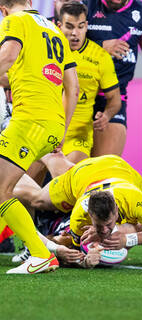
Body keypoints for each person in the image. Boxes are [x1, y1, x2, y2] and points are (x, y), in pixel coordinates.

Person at [0, 0, 79, 274]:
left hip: (29, 120)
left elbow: (8, 55)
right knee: (7, 187)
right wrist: (62, 129)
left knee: (1, 189)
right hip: (52, 125)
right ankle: (34, 248)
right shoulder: (55, 31)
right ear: (31, 2)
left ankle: (39, 253)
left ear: (2, 10)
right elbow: (74, 86)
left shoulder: (14, 21)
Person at [13, 153, 142, 253]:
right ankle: (13, 170)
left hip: (122, 171)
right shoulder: (79, 213)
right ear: (89, 215)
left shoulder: (133, 199)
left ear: (116, 210)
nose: (105, 231)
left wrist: (126, 239)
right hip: (84, 175)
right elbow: (72, 244)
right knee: (38, 200)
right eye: (98, 227)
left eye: (108, 225)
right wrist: (64, 244)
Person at [82, 0, 142, 156]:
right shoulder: (85, 5)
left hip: (113, 100)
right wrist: (101, 46)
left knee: (105, 168)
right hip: (79, 96)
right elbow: (65, 42)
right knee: (65, 168)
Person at [58, 1, 121, 163]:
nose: (75, 33)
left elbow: (115, 100)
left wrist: (106, 115)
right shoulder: (48, 51)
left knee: (71, 175)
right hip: (46, 131)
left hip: (77, 137)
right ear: (59, 26)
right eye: (69, 27)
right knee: (22, 183)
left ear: (86, 26)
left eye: (80, 27)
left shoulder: (100, 57)